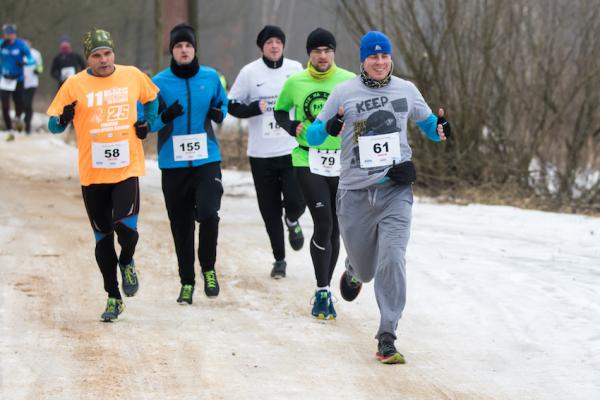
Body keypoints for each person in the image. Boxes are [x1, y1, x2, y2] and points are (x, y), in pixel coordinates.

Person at [307, 31, 452, 363]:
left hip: (395, 191)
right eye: (373, 57)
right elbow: (315, 135)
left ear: (391, 59)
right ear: (362, 60)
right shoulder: (343, 92)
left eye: (384, 56)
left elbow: (430, 126)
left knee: (393, 258)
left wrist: (441, 129)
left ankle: (387, 334)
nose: (380, 62)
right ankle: (354, 269)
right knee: (367, 269)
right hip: (355, 193)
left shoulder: (406, 90)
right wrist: (329, 128)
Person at [46, 28, 159, 321]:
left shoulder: (132, 75)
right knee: (102, 240)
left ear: (114, 53)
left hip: (126, 168)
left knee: (126, 229)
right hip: (93, 174)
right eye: (97, 55)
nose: (104, 60)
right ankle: (113, 297)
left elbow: (152, 98)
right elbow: (53, 126)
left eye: (107, 53)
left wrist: (147, 122)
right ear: (88, 58)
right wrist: (63, 119)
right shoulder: (74, 84)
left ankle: (128, 260)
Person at [138, 23, 228, 305]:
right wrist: (166, 116)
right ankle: (187, 281)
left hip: (207, 159)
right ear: (172, 51)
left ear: (194, 49)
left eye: (188, 45)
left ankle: (209, 269)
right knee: (181, 225)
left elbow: (223, 106)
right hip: (173, 164)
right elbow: (147, 125)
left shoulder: (211, 77)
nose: (184, 50)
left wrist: (218, 112)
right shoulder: (158, 83)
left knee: (210, 214)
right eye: (178, 46)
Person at [273, 28, 354, 319]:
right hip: (307, 159)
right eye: (317, 51)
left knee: (335, 228)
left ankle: (327, 285)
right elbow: (280, 112)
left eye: (327, 50)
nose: (322, 56)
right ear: (309, 54)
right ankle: (321, 292)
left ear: (334, 53)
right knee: (323, 222)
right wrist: (292, 126)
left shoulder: (348, 81)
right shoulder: (295, 82)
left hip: (342, 162)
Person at [228, 25, 305, 279]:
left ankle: (292, 220)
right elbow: (232, 105)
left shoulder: (295, 69)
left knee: (296, 200)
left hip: (291, 148)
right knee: (269, 209)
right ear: (262, 46)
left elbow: (306, 99)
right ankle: (279, 259)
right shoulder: (249, 73)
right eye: (269, 42)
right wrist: (254, 108)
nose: (274, 46)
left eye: (278, 42)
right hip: (261, 155)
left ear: (283, 45)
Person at [1, 24, 31, 137]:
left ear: (15, 34)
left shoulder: (21, 45)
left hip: (18, 79)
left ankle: (18, 118)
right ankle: (9, 129)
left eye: (12, 34)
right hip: (4, 79)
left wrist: (24, 62)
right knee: (4, 105)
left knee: (19, 103)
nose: (9, 37)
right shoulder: (1, 44)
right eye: (7, 34)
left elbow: (31, 59)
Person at [22, 39, 43, 134]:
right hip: (20, 82)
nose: (26, 45)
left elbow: (40, 66)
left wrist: (37, 70)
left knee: (28, 103)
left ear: (31, 44)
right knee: (21, 103)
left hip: (32, 83)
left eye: (27, 43)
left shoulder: (36, 54)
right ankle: (22, 122)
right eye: (24, 44)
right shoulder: (19, 53)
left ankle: (27, 124)